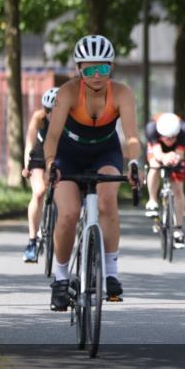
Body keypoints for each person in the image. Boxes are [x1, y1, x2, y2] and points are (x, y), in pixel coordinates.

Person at [42, 35, 141, 311]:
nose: (97, 75)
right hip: (67, 154)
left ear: (111, 68)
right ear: (78, 69)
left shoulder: (122, 94)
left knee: (108, 200)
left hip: (105, 152)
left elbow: (132, 137)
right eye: (89, 69)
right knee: (70, 213)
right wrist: (50, 162)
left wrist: (134, 162)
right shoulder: (68, 93)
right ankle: (61, 279)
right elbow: (51, 136)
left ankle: (110, 272)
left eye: (103, 69)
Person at [22, 87, 58, 262]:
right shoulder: (38, 117)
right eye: (48, 110)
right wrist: (26, 165)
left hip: (60, 155)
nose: (51, 114)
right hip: (39, 155)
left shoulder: (70, 119)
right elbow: (29, 142)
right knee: (39, 192)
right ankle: (32, 241)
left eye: (55, 110)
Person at [144, 111, 185, 248]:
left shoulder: (183, 129)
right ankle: (152, 200)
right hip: (158, 149)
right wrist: (164, 157)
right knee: (154, 165)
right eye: (167, 138)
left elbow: (180, 153)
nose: (170, 141)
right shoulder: (151, 128)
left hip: (175, 152)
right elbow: (157, 153)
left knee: (178, 189)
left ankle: (178, 229)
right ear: (160, 134)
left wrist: (175, 158)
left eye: (172, 138)